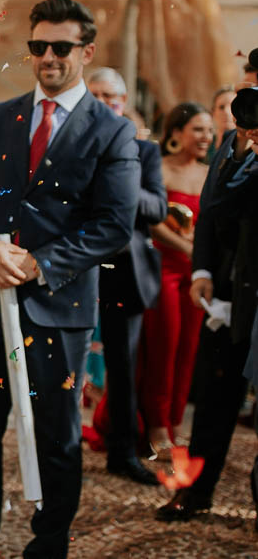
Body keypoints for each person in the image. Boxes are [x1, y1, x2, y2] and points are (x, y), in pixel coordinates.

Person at [0, 0, 139, 559]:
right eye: (39, 46)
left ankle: (49, 543)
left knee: (58, 440)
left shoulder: (112, 132)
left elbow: (115, 225)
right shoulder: (1, 117)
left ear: (86, 51)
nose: (49, 57)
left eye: (61, 47)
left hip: (59, 310)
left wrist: (37, 264)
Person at [157, 87, 258, 522]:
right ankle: (194, 490)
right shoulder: (231, 147)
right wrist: (201, 270)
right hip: (228, 291)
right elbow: (214, 209)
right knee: (214, 399)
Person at [85, 67, 167, 485]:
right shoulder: (70, 148)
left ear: (123, 103)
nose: (102, 104)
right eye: (94, 95)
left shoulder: (144, 152)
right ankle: (56, 452)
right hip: (75, 267)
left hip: (125, 272)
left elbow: (157, 209)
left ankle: (122, 452)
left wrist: (121, 177)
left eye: (110, 97)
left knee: (123, 366)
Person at [140, 103, 212, 454]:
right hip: (164, 267)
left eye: (209, 131)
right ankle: (156, 426)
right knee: (163, 347)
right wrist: (185, 245)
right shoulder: (160, 169)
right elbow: (152, 220)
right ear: (177, 133)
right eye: (198, 129)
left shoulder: (210, 173)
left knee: (189, 349)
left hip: (197, 274)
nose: (206, 137)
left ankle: (177, 423)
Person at [209, 86, 236, 161]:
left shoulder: (249, 145)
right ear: (213, 113)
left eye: (232, 106)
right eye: (221, 107)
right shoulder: (206, 143)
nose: (226, 112)